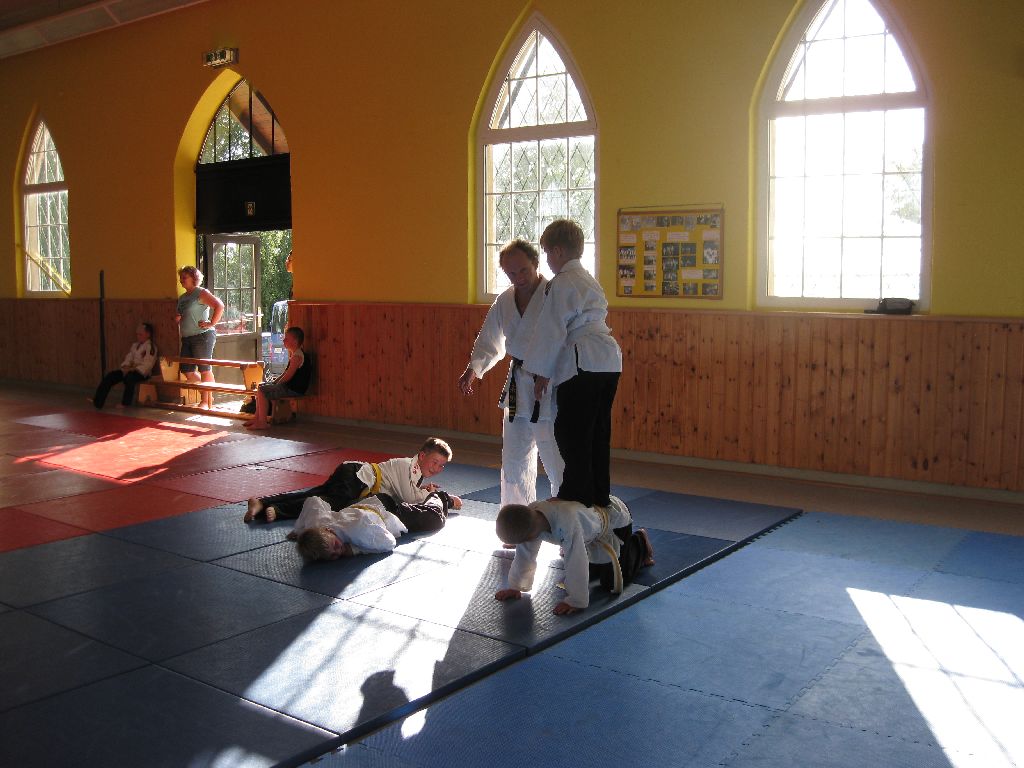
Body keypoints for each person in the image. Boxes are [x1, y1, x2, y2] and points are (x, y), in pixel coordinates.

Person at [523, 219, 622, 509]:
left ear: (557, 251)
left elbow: (551, 328)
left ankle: (576, 495)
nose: (547, 260)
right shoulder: (588, 279)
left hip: (584, 361)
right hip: (608, 360)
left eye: (546, 253)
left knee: (571, 431)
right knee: (597, 432)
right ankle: (598, 495)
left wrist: (541, 373)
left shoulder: (563, 282)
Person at [458, 238, 563, 507]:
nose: (518, 278)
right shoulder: (505, 300)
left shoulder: (554, 294)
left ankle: (567, 516)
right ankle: (516, 517)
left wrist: (546, 369)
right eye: (511, 273)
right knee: (514, 458)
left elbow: (564, 339)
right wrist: (474, 368)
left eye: (523, 270)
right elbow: (490, 339)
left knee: (555, 457)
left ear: (536, 264)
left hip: (549, 384)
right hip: (518, 385)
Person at [493, 496, 653, 615]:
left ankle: (639, 540)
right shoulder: (532, 517)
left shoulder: (566, 524)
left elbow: (576, 561)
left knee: (611, 583)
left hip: (615, 521)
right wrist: (516, 586)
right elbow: (525, 555)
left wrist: (576, 600)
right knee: (593, 573)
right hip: (589, 530)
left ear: (528, 537)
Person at [244, 436, 462, 523]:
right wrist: (435, 495)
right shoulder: (407, 465)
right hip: (358, 478)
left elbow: (410, 491)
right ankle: (277, 511)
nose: (437, 468)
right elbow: (409, 498)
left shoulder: (415, 473)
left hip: (354, 474)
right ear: (421, 456)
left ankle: (262, 502)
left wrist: (424, 489)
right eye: (434, 462)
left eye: (441, 466)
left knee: (315, 494)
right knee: (329, 504)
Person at [291, 490, 455, 561]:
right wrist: (300, 530)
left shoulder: (359, 532)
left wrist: (354, 550)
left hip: (389, 511)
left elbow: (389, 542)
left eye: (335, 545)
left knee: (435, 519)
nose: (338, 551)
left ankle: (440, 496)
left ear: (328, 530)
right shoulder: (317, 525)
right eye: (334, 556)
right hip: (368, 502)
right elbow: (312, 501)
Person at [175, 265, 225, 410]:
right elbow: (180, 314)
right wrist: (177, 319)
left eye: (184, 277)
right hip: (187, 337)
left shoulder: (201, 293)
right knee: (187, 370)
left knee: (204, 368)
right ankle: (207, 395)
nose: (181, 280)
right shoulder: (182, 298)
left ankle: (205, 401)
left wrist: (212, 323)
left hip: (202, 336)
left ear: (194, 278)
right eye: (181, 277)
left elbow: (219, 305)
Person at [246, 326, 311, 430]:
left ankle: (262, 422)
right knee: (261, 386)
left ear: (295, 341)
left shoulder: (297, 357)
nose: (284, 341)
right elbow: (285, 373)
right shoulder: (295, 354)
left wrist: (276, 384)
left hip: (294, 390)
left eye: (287, 339)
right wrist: (274, 382)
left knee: (262, 390)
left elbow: (288, 376)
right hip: (290, 388)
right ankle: (257, 419)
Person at [92, 322, 157, 408]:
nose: (138, 336)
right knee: (110, 376)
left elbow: (148, 364)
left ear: (148, 334)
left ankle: (126, 403)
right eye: (137, 334)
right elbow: (129, 357)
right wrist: (125, 367)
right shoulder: (135, 346)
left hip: (142, 373)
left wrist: (134, 369)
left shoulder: (151, 347)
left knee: (129, 378)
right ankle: (98, 401)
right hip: (129, 370)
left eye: (140, 334)